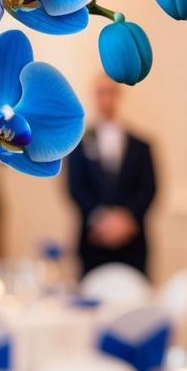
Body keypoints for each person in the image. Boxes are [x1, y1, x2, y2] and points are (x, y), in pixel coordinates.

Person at [66, 73, 157, 277]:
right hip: (93, 240)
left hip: (132, 243)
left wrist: (126, 220)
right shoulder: (78, 145)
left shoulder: (141, 146)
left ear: (119, 95)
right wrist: (101, 219)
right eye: (101, 92)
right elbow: (75, 188)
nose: (106, 98)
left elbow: (148, 189)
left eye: (110, 92)